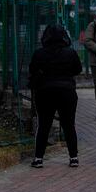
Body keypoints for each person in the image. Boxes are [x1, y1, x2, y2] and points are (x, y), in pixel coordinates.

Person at [29, 24, 82, 168]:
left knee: (44, 125)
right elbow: (78, 69)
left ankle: (39, 158)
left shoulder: (39, 53)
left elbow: (32, 70)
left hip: (45, 92)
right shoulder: (70, 53)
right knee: (69, 125)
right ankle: (73, 158)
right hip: (67, 92)